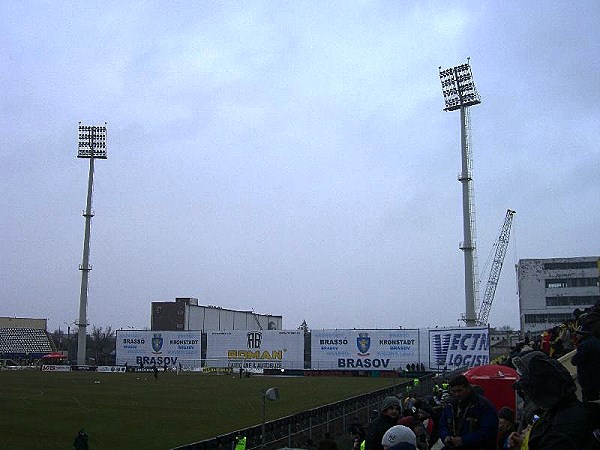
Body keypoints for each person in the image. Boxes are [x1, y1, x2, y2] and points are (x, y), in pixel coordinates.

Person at [508, 350, 592, 449]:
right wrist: (524, 442)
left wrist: (525, 445)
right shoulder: (556, 412)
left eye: (528, 388)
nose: (524, 391)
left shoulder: (561, 430)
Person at [438, 374, 498, 449]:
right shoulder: (450, 404)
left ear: (468, 389)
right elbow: (442, 425)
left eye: (459, 390)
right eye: (454, 391)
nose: (456, 394)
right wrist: (445, 437)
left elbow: (488, 431)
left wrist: (463, 440)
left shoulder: (483, 406)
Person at [572, 322, 600, 431]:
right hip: (595, 379)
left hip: (589, 381)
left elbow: (574, 361)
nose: (577, 336)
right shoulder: (596, 342)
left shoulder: (586, 345)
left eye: (578, 334)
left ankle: (592, 429)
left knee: (590, 406)